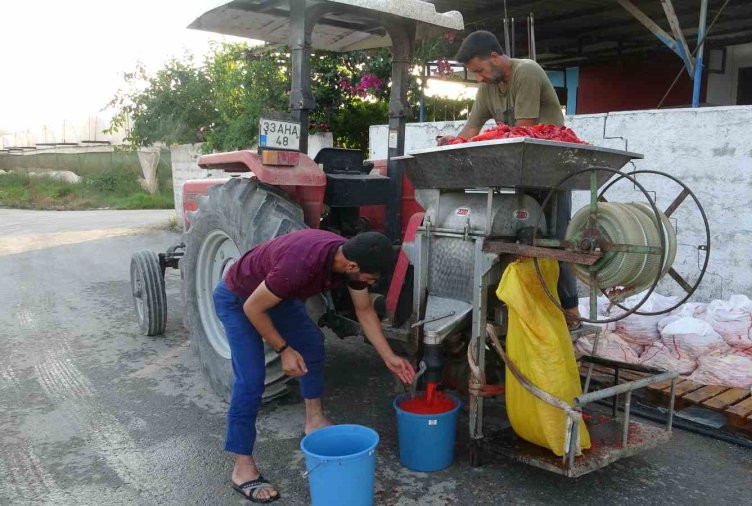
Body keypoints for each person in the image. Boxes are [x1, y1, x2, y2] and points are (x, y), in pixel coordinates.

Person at [214, 229, 415, 502]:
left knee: (311, 345)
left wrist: (389, 355)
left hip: (277, 295)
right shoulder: (301, 264)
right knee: (250, 380)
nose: (371, 283)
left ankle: (315, 420)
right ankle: (242, 467)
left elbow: (365, 311)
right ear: (353, 267)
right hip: (240, 300)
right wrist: (284, 350)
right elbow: (253, 308)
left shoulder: (350, 259)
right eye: (371, 278)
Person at [446, 30, 581, 329]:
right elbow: (471, 130)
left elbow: (523, 131)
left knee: (553, 244)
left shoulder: (527, 71)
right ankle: (526, 313)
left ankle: (571, 314)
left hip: (551, 171)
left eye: (480, 70)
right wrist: (452, 145)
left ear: (495, 56)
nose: (479, 78)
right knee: (516, 241)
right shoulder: (487, 87)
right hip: (520, 171)